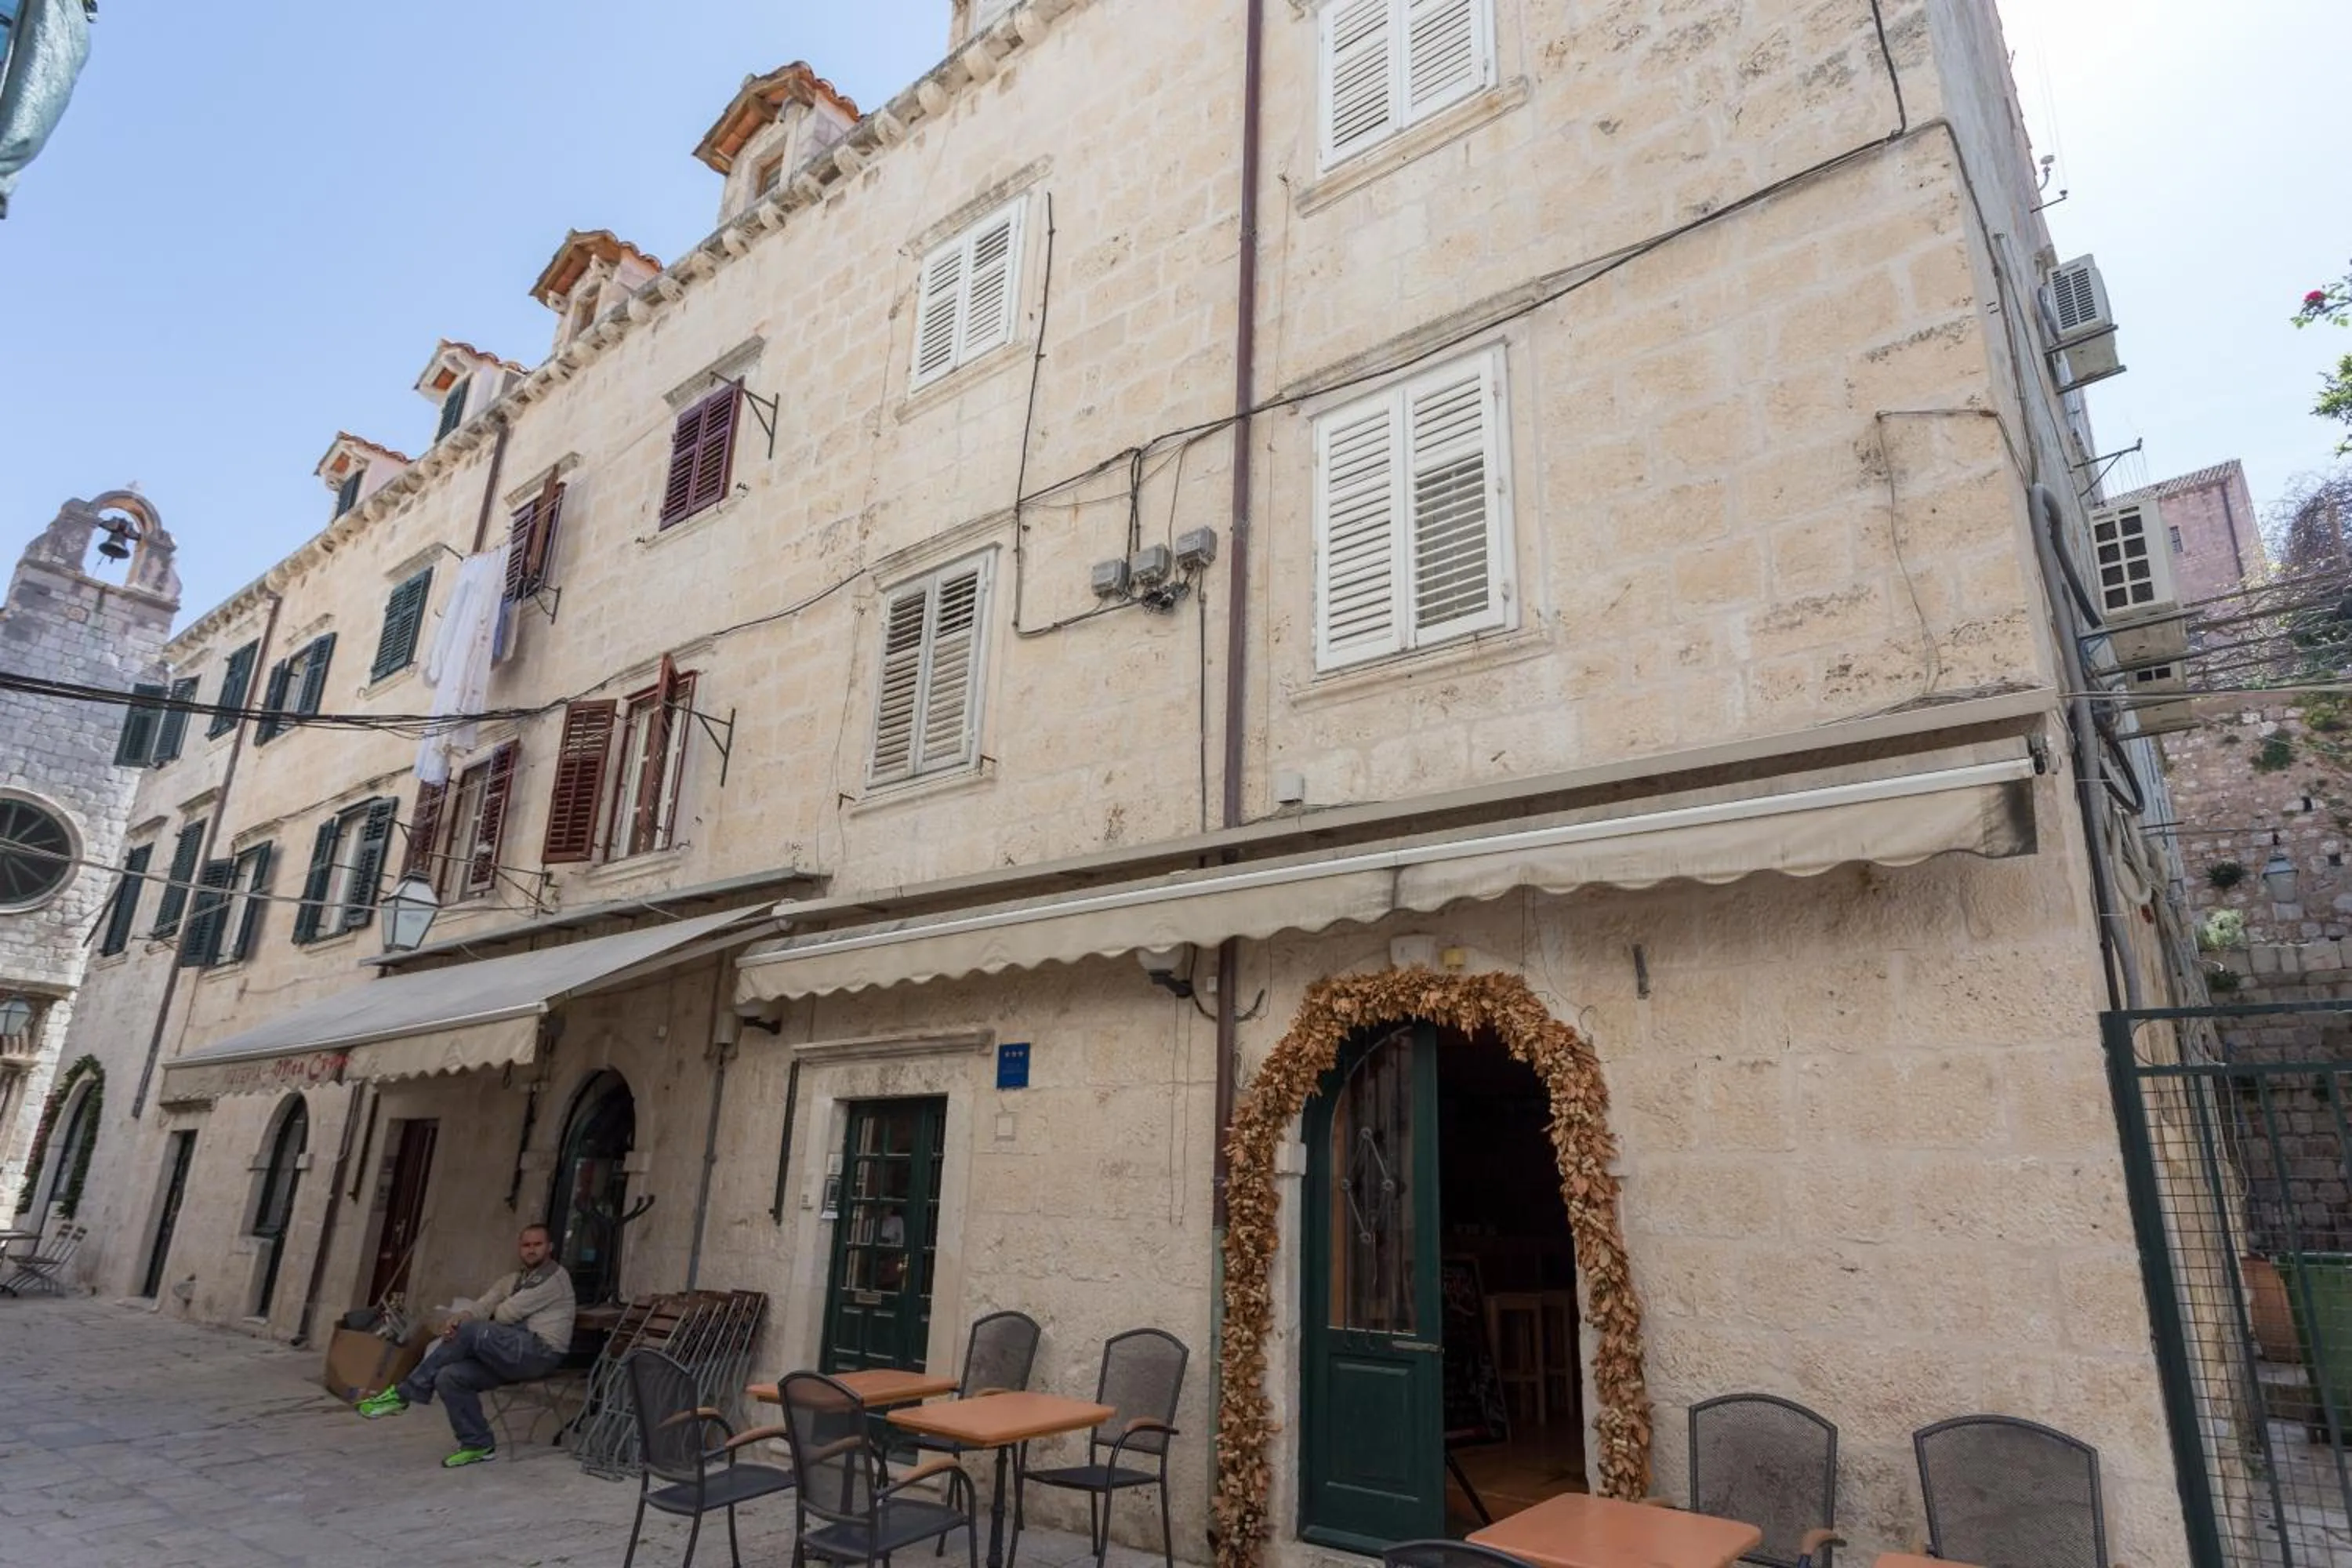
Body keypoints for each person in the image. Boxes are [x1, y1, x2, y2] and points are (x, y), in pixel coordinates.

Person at [354, 1223, 576, 1468]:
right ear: (519, 1248)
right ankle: (477, 1444)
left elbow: (505, 1314)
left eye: (538, 1244)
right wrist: (461, 1317)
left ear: (550, 1247)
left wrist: (471, 1324)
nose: (531, 1250)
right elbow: (483, 1305)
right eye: (526, 1245)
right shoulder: (514, 1279)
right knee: (449, 1376)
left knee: (471, 1331)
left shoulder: (554, 1277)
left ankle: (405, 1393)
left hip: (540, 1353)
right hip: (510, 1354)